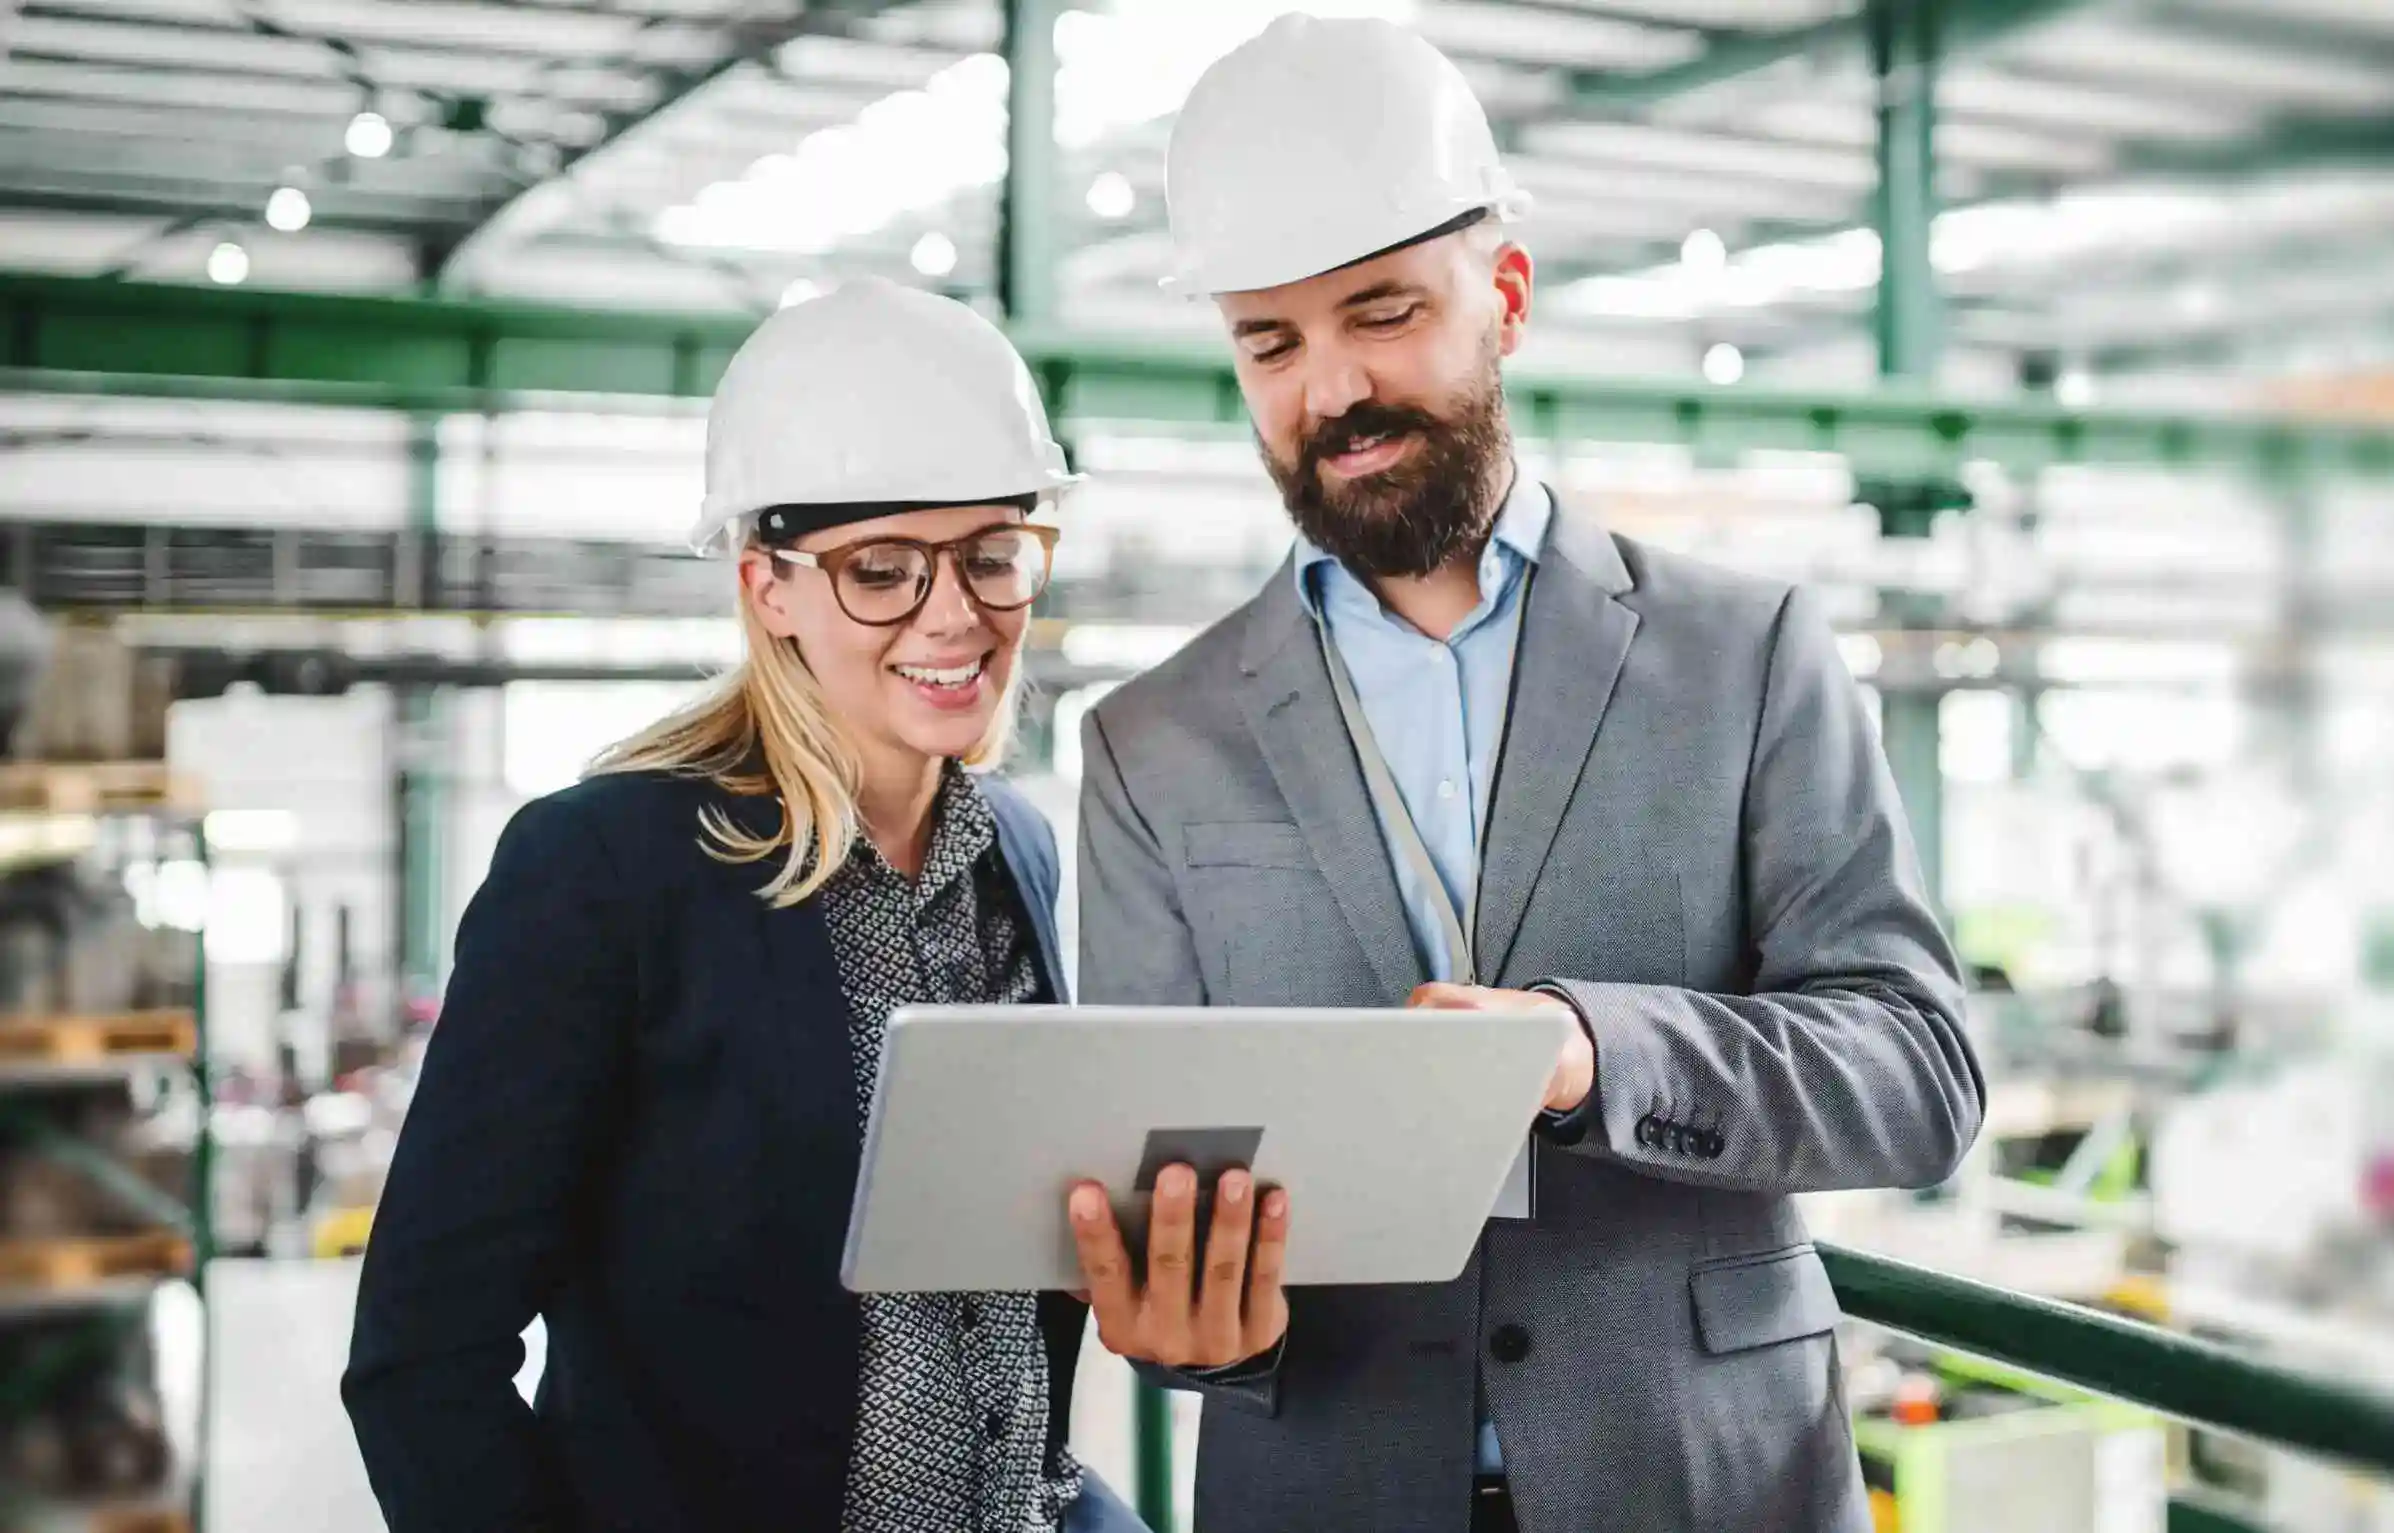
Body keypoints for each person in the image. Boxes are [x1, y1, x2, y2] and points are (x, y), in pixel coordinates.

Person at [1064, 16, 1985, 1533]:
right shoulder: (1150, 745)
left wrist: (1591, 1050)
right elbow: (1164, 1203)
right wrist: (1196, 1330)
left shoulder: (1744, 654)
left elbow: (1919, 1078)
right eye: (1271, 342)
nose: (1332, 389)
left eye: (1381, 313)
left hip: (1703, 1486)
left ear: (1502, 298)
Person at [344, 279, 1146, 1533]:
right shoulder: (605, 871)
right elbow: (420, 1359)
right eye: (881, 570)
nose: (957, 615)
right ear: (769, 585)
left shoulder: (1018, 856)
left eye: (994, 556)